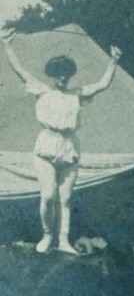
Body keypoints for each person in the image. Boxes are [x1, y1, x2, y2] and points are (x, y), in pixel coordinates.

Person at [3, 32, 121, 254]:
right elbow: (20, 71)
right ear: (53, 75)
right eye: (59, 75)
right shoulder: (43, 90)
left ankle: (64, 240)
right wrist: (7, 45)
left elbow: (102, 84)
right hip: (47, 145)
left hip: (69, 146)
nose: (63, 79)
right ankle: (47, 235)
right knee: (48, 196)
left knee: (65, 198)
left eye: (66, 75)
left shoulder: (76, 94)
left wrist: (113, 61)